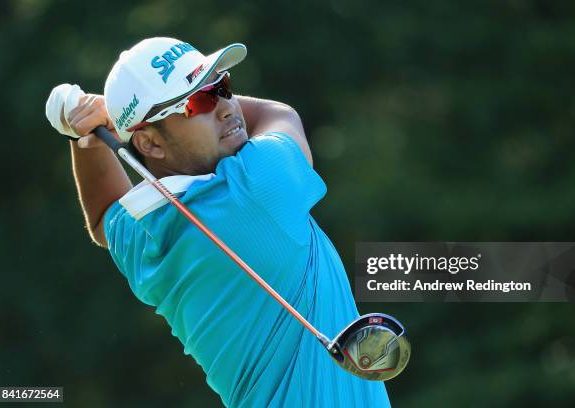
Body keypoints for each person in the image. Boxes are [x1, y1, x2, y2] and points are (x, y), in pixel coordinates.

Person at [47, 37, 391, 407]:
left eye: (223, 86)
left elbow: (103, 218)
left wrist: (86, 137)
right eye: (200, 102)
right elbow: (280, 115)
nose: (227, 108)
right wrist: (104, 125)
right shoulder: (259, 186)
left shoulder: (147, 232)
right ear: (149, 145)